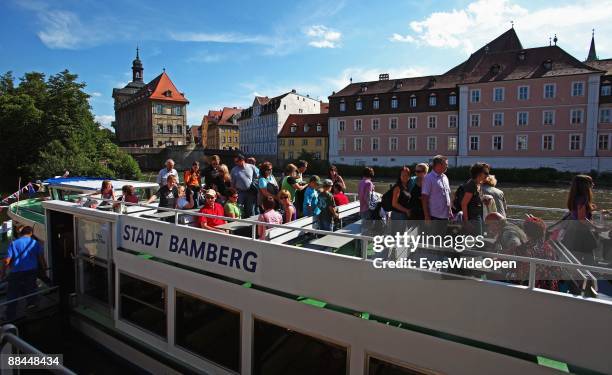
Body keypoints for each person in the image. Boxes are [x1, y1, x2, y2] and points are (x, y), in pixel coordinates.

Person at [2, 226, 47, 320]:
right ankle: (32, 311)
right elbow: (41, 257)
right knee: (31, 290)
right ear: (31, 233)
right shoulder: (35, 243)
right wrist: (44, 268)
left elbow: (7, 260)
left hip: (16, 272)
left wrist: (2, 272)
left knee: (13, 293)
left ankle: (10, 316)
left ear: (22, 233)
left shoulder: (14, 243)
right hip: (31, 271)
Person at [513, 216, 560, 291]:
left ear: (526, 232)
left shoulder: (522, 249)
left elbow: (520, 273)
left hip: (530, 288)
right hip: (550, 289)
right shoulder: (550, 250)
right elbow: (557, 271)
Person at [421, 155, 452, 236]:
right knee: (434, 242)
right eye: (446, 164)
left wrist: (450, 210)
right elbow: (424, 199)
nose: (447, 166)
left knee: (441, 239)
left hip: (445, 215)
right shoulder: (428, 178)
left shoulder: (445, 177)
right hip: (434, 216)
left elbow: (448, 195)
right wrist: (427, 216)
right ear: (438, 165)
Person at [460, 162, 490, 235]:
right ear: (478, 173)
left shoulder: (478, 184)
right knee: (476, 241)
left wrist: (483, 200)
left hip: (478, 216)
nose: (487, 175)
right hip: (473, 219)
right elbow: (464, 204)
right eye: (485, 173)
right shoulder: (471, 185)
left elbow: (474, 199)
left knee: (479, 240)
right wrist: (466, 222)